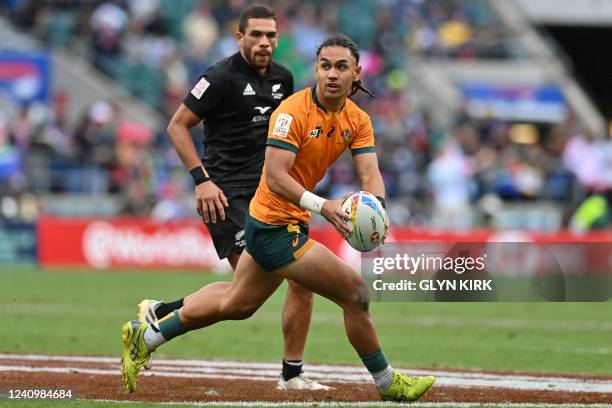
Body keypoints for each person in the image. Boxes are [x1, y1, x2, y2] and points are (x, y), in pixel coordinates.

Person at [121, 34, 436, 402]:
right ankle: (387, 383)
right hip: (272, 225)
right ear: (316, 69)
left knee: (237, 304)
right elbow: (275, 176)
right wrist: (325, 207)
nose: (332, 74)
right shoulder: (291, 112)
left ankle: (147, 334)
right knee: (356, 293)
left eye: (341, 67)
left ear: (357, 73)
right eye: (325, 66)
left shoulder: (358, 119)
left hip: (286, 219)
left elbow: (370, 173)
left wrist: (378, 208)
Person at [138, 4, 328, 390]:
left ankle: (163, 313)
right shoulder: (220, 77)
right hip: (223, 196)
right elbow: (177, 126)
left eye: (270, 35)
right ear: (239, 37)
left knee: (277, 284)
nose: (264, 42)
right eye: (255, 35)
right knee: (253, 293)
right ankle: (158, 324)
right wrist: (201, 180)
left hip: (266, 196)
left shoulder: (283, 78)